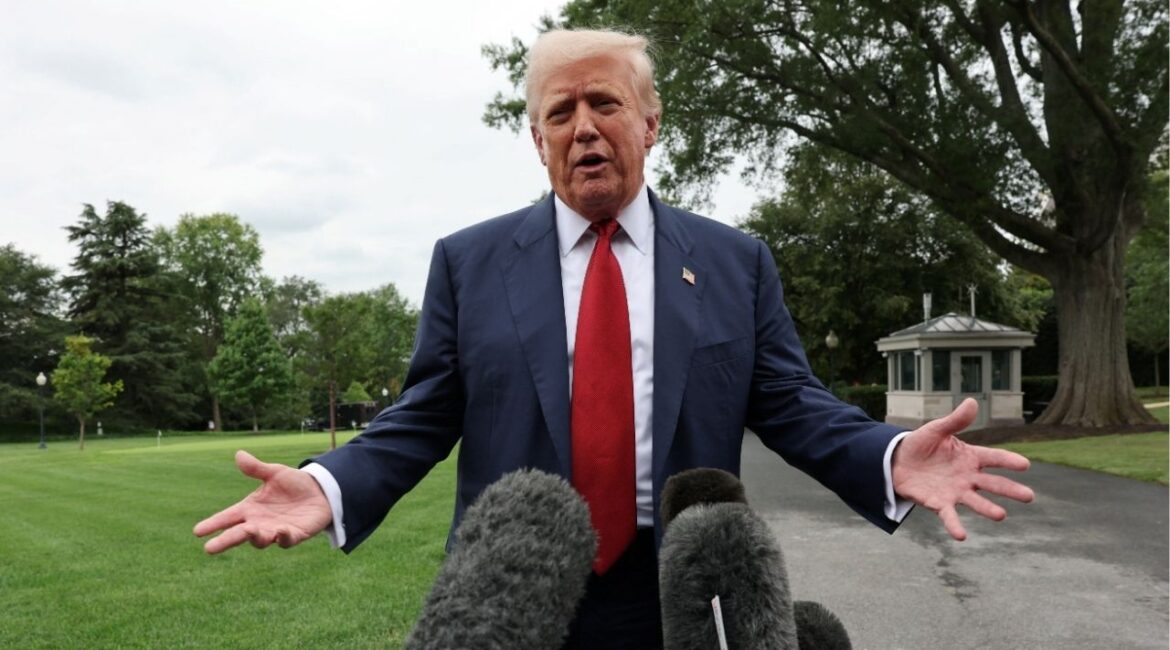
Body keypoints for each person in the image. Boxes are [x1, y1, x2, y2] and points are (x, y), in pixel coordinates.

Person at [194, 29, 1034, 648]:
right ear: (536, 139)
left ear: (651, 122)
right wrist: (327, 483)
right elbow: (424, 414)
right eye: (561, 112)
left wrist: (890, 458)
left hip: (677, 593)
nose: (584, 126)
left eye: (605, 104)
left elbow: (792, 406)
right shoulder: (468, 262)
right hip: (514, 591)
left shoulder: (735, 263)